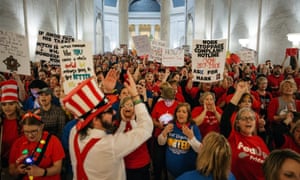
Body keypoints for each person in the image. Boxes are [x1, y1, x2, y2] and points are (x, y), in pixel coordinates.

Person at [65, 70, 153, 179]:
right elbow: (146, 128)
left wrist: (107, 92)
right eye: (109, 111)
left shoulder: (75, 133)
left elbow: (84, 114)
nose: (114, 112)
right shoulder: (109, 146)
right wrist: (135, 96)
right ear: (95, 120)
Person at [220, 81, 270, 180]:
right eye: (244, 118)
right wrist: (238, 93)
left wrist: (262, 129)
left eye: (251, 118)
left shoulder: (260, 141)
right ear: (237, 123)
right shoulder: (232, 137)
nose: (248, 121)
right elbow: (225, 118)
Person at [8, 112, 65, 179]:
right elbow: (11, 170)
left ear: (41, 126)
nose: (30, 135)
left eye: (34, 131)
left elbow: (58, 169)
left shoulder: (53, 141)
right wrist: (17, 171)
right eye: (26, 132)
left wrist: (42, 172)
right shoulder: (18, 143)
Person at [158, 102, 202, 179]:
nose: (181, 114)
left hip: (188, 173)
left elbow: (200, 150)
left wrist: (191, 137)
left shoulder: (193, 127)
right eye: (179, 111)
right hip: (171, 171)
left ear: (188, 115)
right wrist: (164, 133)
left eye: (184, 112)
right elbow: (160, 143)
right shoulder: (171, 125)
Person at [115, 96, 151, 180]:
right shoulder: (118, 124)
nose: (128, 107)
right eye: (125, 105)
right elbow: (116, 141)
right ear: (121, 109)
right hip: (126, 164)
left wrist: (132, 120)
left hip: (142, 163)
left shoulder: (141, 122)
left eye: (131, 105)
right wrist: (123, 122)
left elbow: (140, 138)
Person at [0, 80, 24, 179]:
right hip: (3, 166)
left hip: (21, 165)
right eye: (4, 104)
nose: (7, 108)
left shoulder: (23, 121)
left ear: (16, 105)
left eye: (11, 104)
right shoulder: (1, 122)